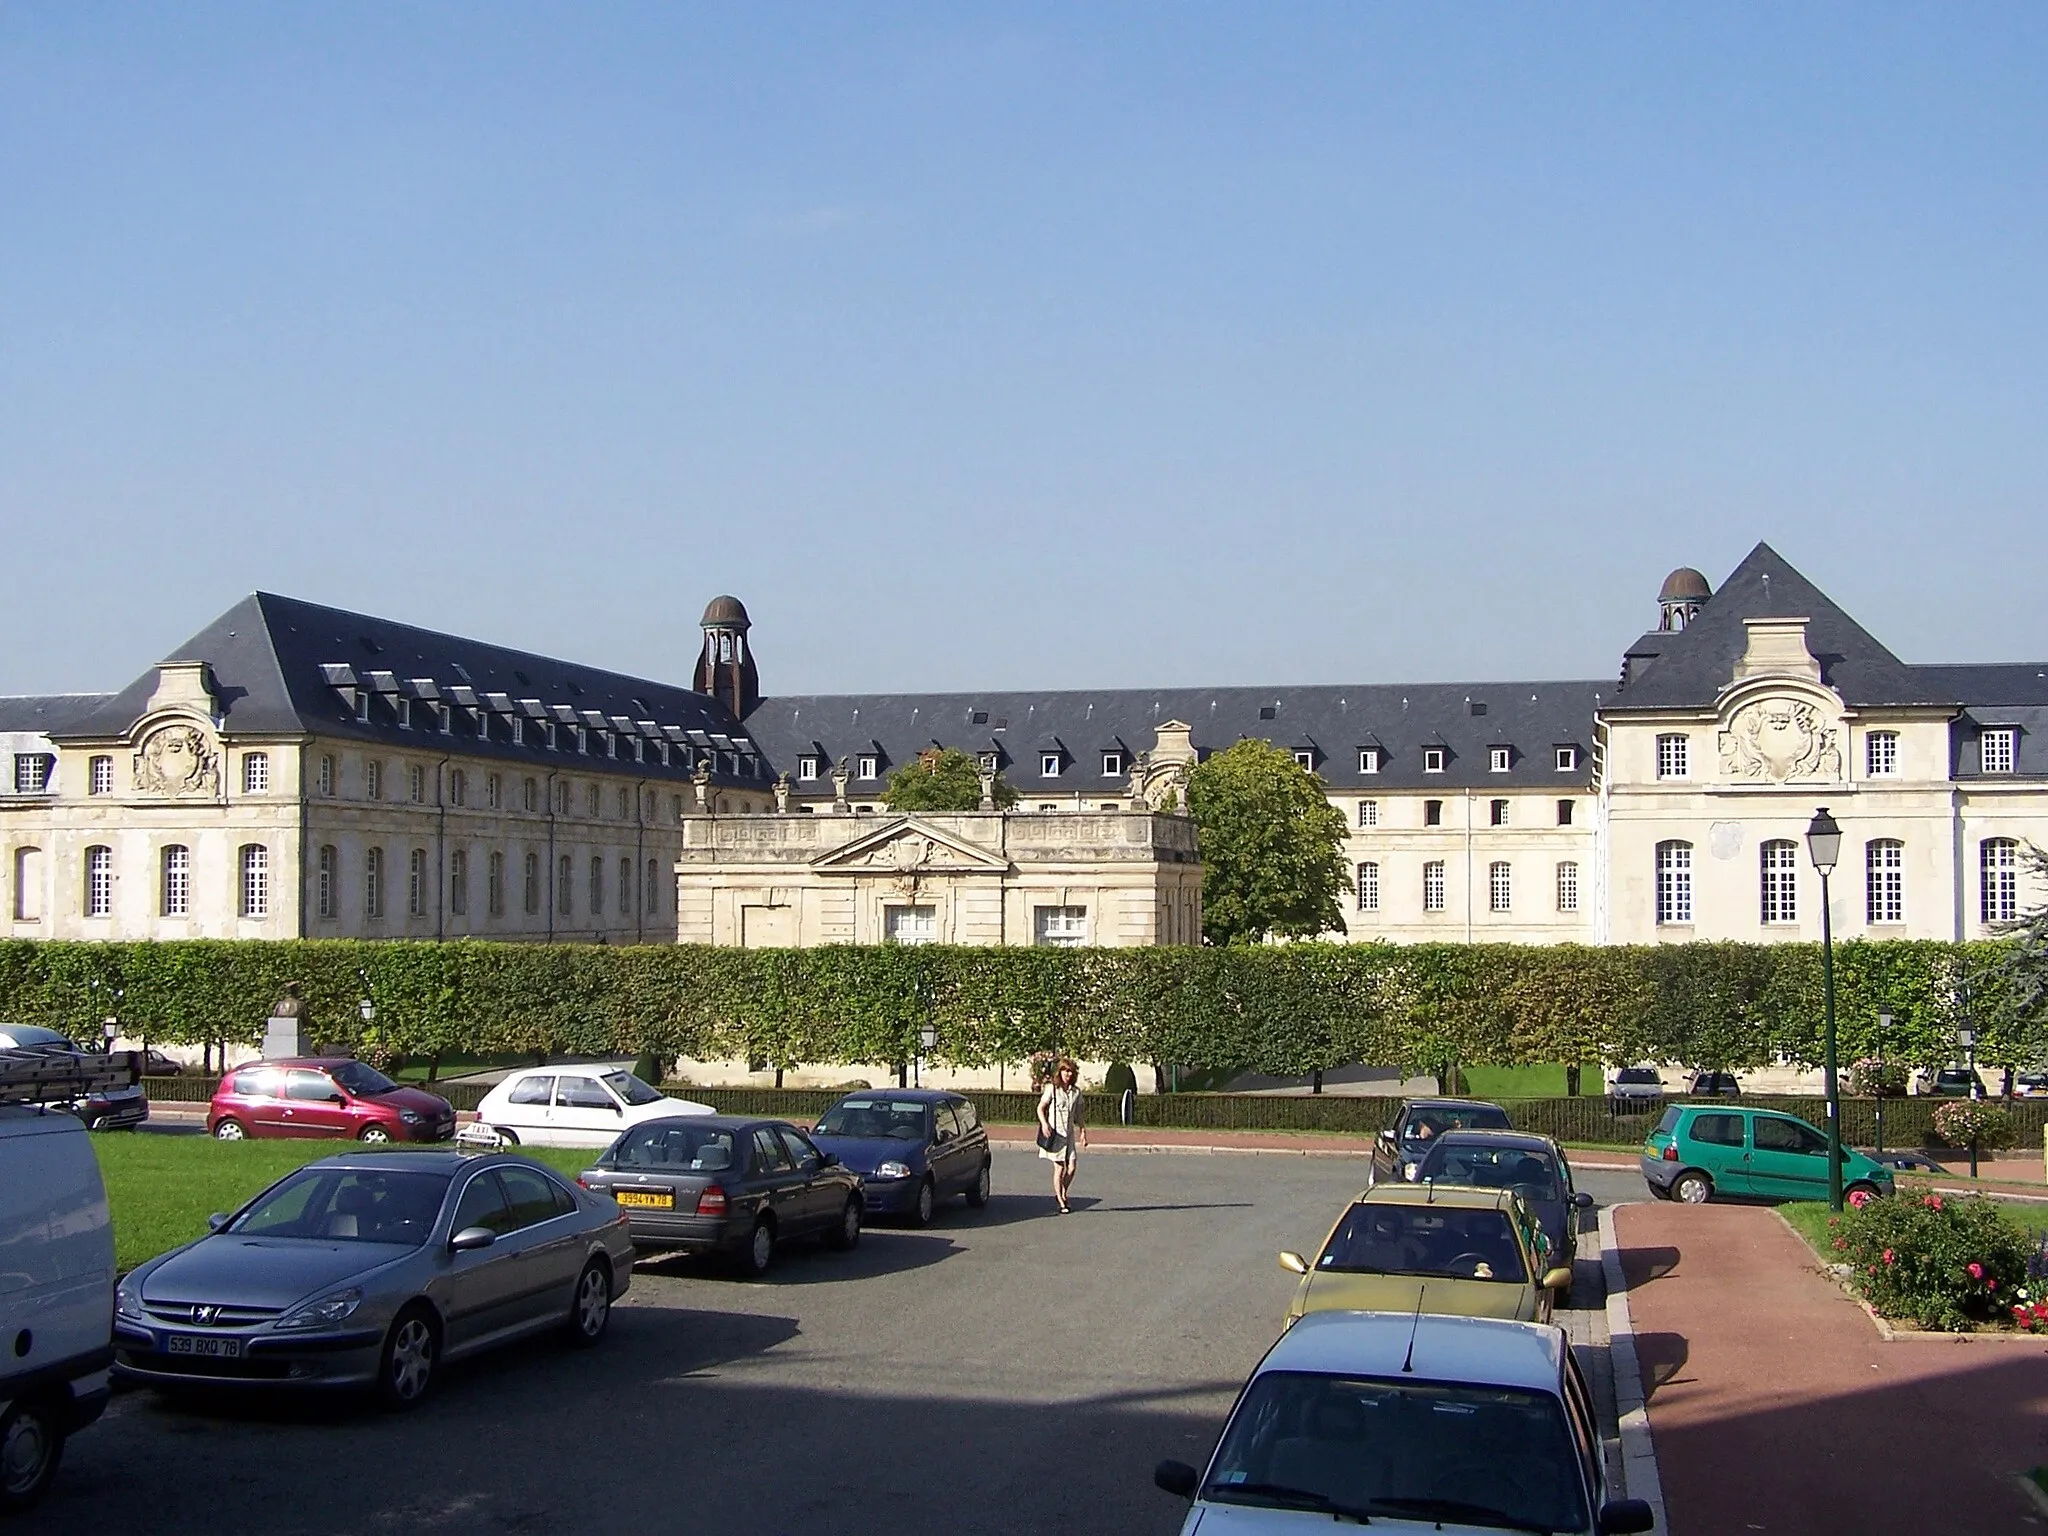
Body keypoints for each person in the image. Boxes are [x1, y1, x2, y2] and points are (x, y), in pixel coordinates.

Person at [1037, 1058, 1088, 1213]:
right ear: (1060, 1072)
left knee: (1071, 1168)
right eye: (1065, 1071)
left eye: (1071, 1071)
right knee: (1059, 1168)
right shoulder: (1052, 1089)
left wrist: (1083, 1131)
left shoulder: (1076, 1092)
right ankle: (1061, 1201)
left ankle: (1063, 1191)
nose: (1068, 1074)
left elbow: (1079, 1114)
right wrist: (1045, 1124)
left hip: (1069, 1134)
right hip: (1055, 1133)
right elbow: (1040, 1108)